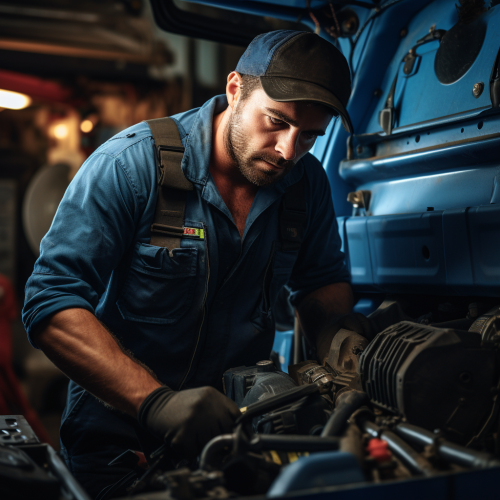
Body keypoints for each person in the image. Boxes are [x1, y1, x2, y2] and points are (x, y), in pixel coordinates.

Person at [22, 30, 369, 498]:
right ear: (234, 91)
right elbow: (51, 303)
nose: (289, 150)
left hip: (239, 441)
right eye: (276, 121)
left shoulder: (305, 185)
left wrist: (344, 349)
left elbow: (322, 281)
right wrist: (155, 403)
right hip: (119, 449)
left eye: (309, 135)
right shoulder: (130, 166)